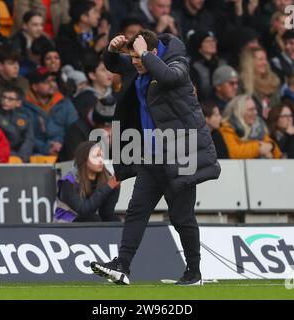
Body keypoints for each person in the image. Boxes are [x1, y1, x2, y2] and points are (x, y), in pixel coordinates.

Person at [89, 29, 220, 286]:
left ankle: (194, 272)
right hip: (151, 157)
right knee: (137, 210)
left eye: (138, 58)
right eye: (134, 58)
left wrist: (145, 54)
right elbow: (114, 64)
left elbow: (169, 77)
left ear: (153, 52)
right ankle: (122, 266)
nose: (135, 63)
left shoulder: (177, 63)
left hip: (180, 155)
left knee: (182, 217)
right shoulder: (139, 66)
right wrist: (112, 50)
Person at [54, 141, 121, 223]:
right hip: (66, 222)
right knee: (93, 219)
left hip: (91, 219)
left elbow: (106, 213)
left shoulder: (106, 177)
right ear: (84, 159)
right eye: (96, 156)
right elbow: (83, 210)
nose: (100, 160)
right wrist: (108, 187)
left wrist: (114, 189)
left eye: (101, 156)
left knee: (114, 220)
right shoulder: (69, 181)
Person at [23, 66, 78, 156]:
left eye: (53, 81)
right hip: (35, 154)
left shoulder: (64, 103)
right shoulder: (23, 107)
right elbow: (25, 136)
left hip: (63, 151)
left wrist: (62, 146)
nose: (52, 85)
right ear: (35, 87)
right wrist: (46, 148)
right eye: (46, 82)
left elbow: (74, 130)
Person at [219, 94, 282, 159]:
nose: (255, 113)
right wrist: (259, 148)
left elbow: (278, 154)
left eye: (255, 109)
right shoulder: (227, 128)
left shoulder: (258, 127)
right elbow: (234, 152)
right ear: (239, 111)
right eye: (251, 110)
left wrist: (271, 146)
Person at [55, 0, 106, 69]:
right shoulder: (66, 34)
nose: (99, 16)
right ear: (84, 17)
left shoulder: (99, 31)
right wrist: (95, 49)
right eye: (95, 12)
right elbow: (73, 62)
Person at [0, 86, 34, 163]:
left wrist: (22, 157)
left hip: (22, 157)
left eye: (10, 99)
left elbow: (29, 139)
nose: (5, 101)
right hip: (3, 156)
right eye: (3, 97)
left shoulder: (25, 118)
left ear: (18, 103)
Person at [0, 44, 30, 113]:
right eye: (11, 63)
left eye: (17, 63)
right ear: (0, 66)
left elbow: (26, 109)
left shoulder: (23, 82)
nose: (16, 67)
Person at [239, 47, 281, 120]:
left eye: (265, 59)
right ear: (250, 62)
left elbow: (279, 105)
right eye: (260, 59)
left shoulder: (274, 81)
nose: (265, 63)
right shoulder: (243, 84)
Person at [188, 30, 224, 102]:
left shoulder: (221, 63)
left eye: (213, 40)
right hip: (203, 106)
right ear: (199, 45)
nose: (212, 43)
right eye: (208, 41)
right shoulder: (193, 67)